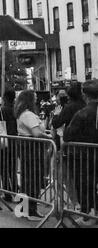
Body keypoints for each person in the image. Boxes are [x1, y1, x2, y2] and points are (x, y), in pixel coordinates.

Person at [63, 79, 98, 227]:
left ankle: (87, 214)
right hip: (91, 154)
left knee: (85, 185)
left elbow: (68, 134)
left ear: (85, 95)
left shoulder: (82, 113)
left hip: (84, 157)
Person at [14, 90, 51, 221]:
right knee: (33, 178)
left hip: (27, 147)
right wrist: (48, 136)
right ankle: (31, 210)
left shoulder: (22, 113)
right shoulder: (28, 114)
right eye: (34, 97)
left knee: (27, 178)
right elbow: (36, 133)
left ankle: (25, 208)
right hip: (32, 148)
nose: (36, 99)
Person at [0, 89, 18, 202]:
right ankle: (15, 191)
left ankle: (7, 193)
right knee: (13, 169)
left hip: (3, 141)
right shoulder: (16, 110)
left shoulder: (1, 110)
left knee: (4, 169)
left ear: (4, 98)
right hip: (14, 141)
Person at [52, 83, 86, 149]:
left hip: (72, 142)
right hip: (85, 142)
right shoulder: (85, 105)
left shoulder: (69, 107)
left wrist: (56, 114)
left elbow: (56, 123)